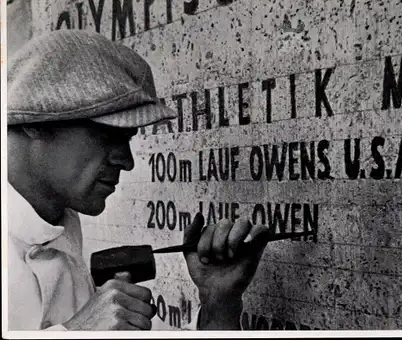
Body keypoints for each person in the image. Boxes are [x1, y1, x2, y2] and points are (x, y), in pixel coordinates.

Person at [6, 29, 269, 331]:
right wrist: (79, 333)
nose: (127, 161)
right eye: (108, 134)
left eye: (128, 138)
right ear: (35, 122)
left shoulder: (59, 229)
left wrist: (218, 302)